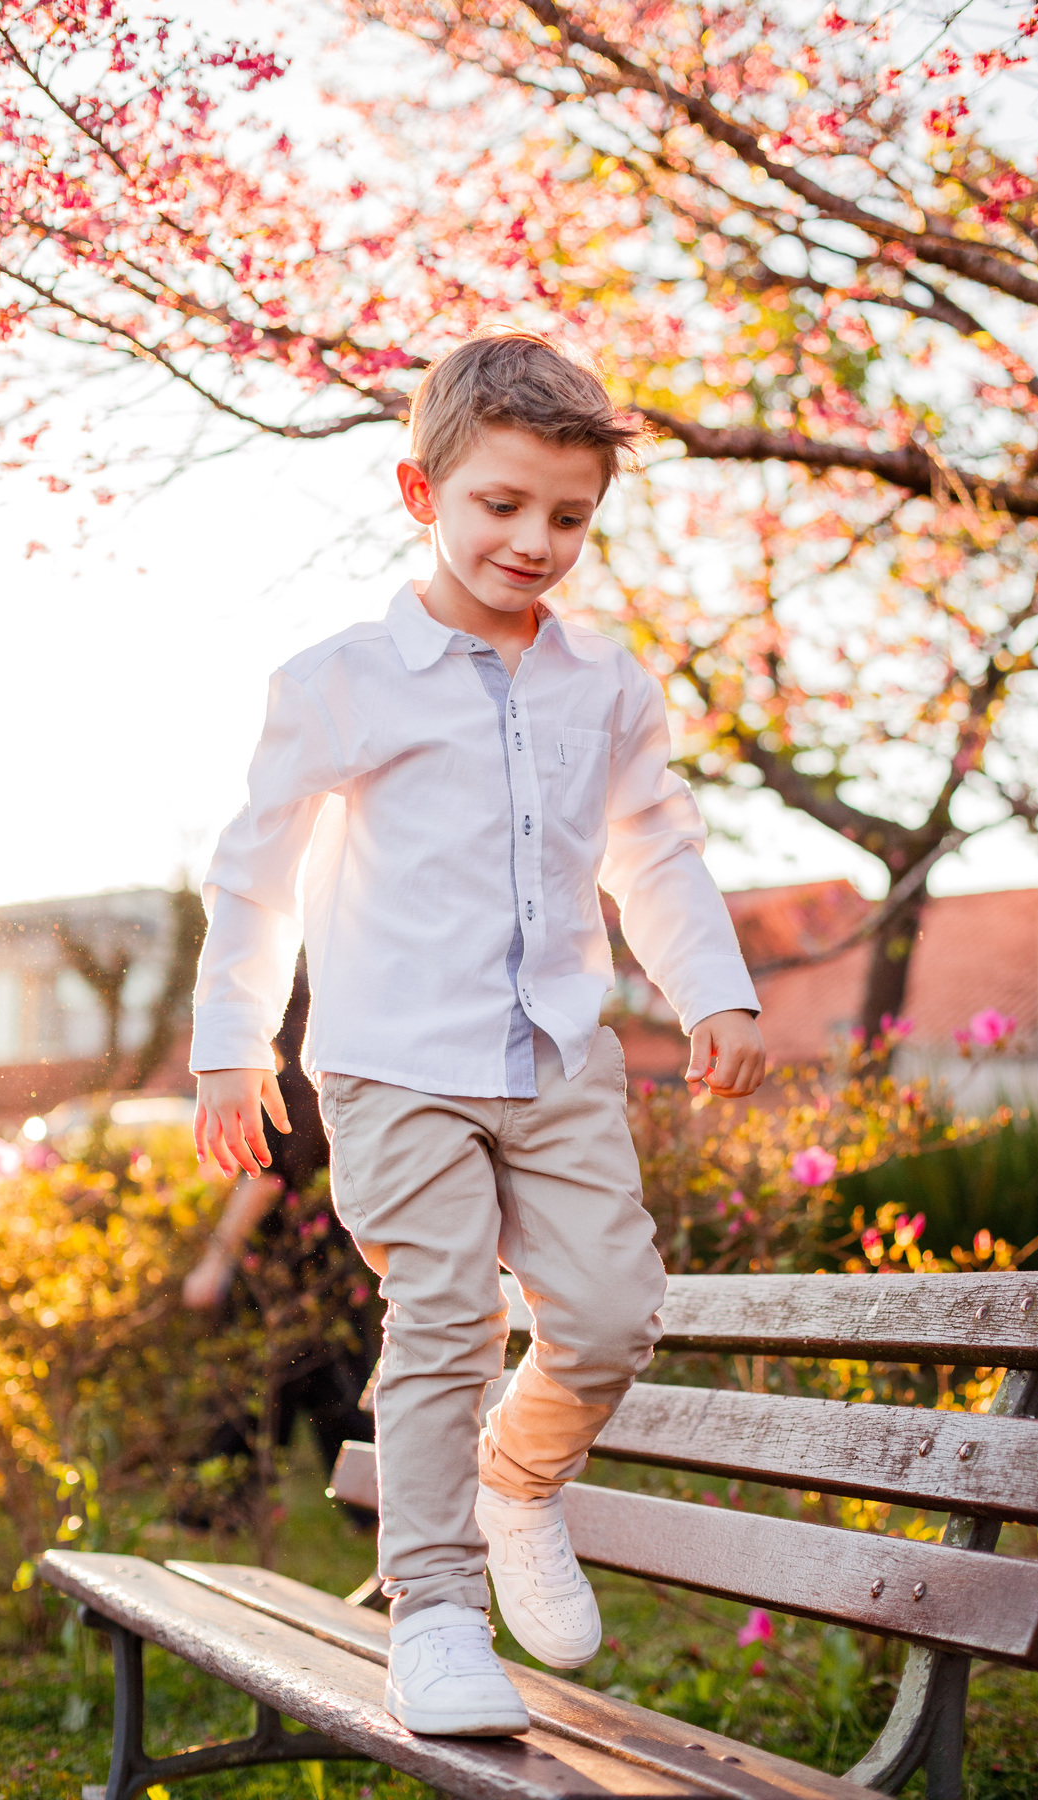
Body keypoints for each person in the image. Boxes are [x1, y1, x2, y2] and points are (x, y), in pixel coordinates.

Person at [191, 330, 765, 1738]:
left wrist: (717, 988)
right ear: (421, 492)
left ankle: (517, 1486)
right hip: (393, 1064)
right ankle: (437, 1606)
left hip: (559, 1060)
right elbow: (257, 869)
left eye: (568, 517)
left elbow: (659, 855)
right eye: (501, 505)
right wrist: (230, 1041)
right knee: (442, 1311)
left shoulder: (607, 689)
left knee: (616, 1313)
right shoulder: (341, 680)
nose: (536, 540)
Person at [183, 961, 377, 1489]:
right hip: (334, 1257)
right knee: (335, 1380)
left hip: (281, 1264)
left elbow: (265, 1179)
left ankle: (217, 1506)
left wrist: (212, 1264)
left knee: (256, 1383)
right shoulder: (337, 1081)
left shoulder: (280, 1086)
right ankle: (374, 1504)